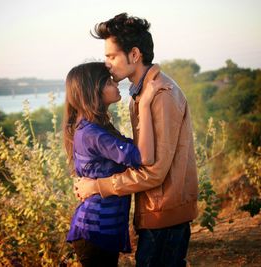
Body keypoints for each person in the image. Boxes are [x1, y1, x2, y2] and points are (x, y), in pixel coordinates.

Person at [74, 13, 199, 266]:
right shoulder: (141, 94)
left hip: (165, 213)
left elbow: (154, 171)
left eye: (111, 56)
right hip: (155, 209)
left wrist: (97, 187)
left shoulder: (161, 95)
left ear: (134, 55)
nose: (106, 64)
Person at [63, 62, 170, 267]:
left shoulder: (93, 127)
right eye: (109, 81)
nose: (116, 84)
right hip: (95, 231)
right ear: (93, 91)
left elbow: (132, 149)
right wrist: (145, 104)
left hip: (101, 231)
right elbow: (143, 157)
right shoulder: (93, 134)